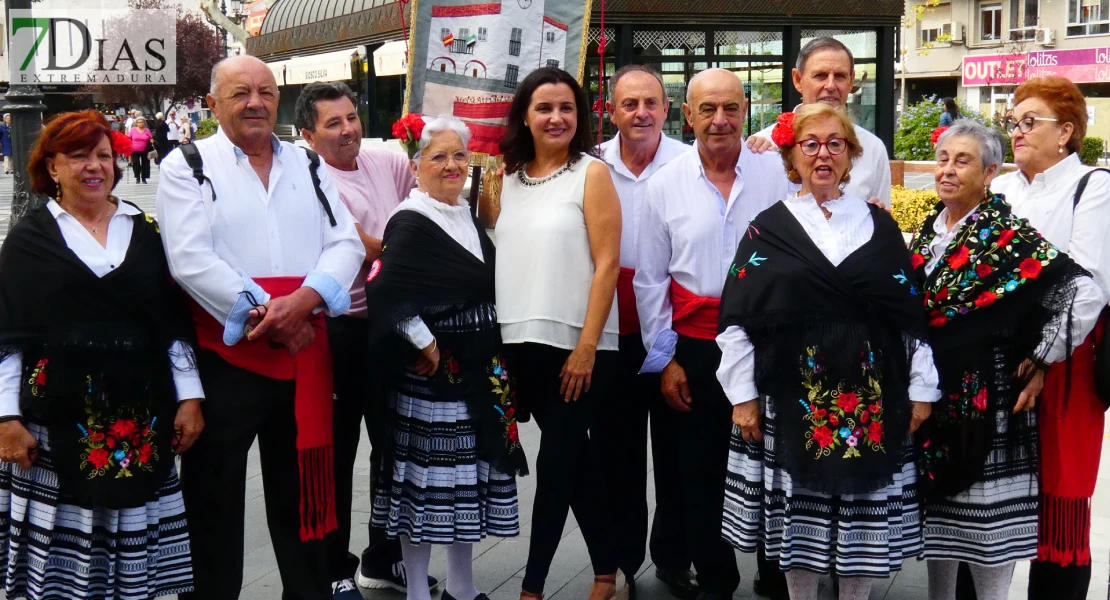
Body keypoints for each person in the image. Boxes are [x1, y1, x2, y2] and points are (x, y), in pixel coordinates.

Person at [156, 55, 364, 600]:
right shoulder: (189, 164)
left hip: (304, 356)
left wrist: (306, 299)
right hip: (228, 360)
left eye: (266, 93)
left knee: (304, 502)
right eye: (241, 93)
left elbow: (345, 242)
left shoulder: (307, 164)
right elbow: (190, 260)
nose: (255, 102)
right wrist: (274, 315)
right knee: (214, 504)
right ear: (214, 105)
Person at [717, 102, 939, 600]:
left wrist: (922, 389)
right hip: (791, 396)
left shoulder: (880, 227)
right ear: (791, 157)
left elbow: (908, 315)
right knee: (802, 522)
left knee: (860, 521)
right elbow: (735, 320)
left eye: (835, 144)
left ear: (851, 155)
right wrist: (742, 396)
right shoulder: (766, 229)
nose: (823, 154)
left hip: (871, 397)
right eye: (810, 144)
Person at [0, 109, 204, 599]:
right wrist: (6, 417)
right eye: (78, 156)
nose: (95, 166)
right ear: (51, 168)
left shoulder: (145, 230)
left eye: (104, 155)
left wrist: (190, 399)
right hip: (54, 426)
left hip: (141, 422)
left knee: (133, 562)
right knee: (64, 571)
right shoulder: (29, 240)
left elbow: (172, 325)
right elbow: (9, 337)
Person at [908, 120, 1101, 600]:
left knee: (987, 535)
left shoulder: (1007, 235)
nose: (947, 170)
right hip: (934, 396)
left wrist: (1040, 358)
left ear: (991, 171)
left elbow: (1081, 292)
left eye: (963, 161)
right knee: (940, 527)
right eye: (944, 159)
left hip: (988, 399)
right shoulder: (929, 231)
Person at [634, 68, 792, 600]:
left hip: (771, 340)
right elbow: (652, 281)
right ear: (689, 115)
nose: (720, 120)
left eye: (730, 108)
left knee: (778, 462)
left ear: (746, 111)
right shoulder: (664, 185)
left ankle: (778, 573)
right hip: (696, 346)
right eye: (708, 110)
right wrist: (665, 361)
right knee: (697, 470)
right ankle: (716, 579)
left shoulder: (777, 173)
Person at [365, 115, 526, 600]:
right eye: (439, 156)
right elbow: (388, 290)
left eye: (459, 155)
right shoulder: (410, 220)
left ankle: (461, 587)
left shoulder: (467, 215)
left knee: (463, 490)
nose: (452, 165)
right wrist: (426, 343)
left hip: (476, 373)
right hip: (433, 379)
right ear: (416, 167)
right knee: (425, 492)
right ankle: (416, 589)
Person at [479, 66, 623, 600]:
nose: (556, 117)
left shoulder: (593, 174)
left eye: (567, 107)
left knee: (556, 462)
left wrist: (587, 346)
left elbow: (607, 265)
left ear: (580, 116)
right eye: (544, 107)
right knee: (576, 460)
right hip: (518, 345)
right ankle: (608, 571)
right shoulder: (503, 183)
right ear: (525, 115)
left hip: (577, 348)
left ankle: (533, 587)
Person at [294, 81, 436, 599]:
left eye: (351, 117)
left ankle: (384, 556)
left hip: (390, 323)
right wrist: (414, 246)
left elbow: (423, 204)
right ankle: (331, 566)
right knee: (334, 451)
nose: (348, 130)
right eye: (333, 124)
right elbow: (368, 244)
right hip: (339, 326)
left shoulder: (386, 161)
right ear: (309, 134)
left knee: (392, 449)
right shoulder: (310, 177)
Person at [991, 75, 1110, 600]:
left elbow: (1089, 285)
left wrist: (1042, 357)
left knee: (1059, 502)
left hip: (1067, 363)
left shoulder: (1093, 185)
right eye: (1012, 121)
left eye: (1028, 122)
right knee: (986, 489)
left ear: (1065, 133)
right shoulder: (1000, 188)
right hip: (995, 357)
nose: (1016, 131)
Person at [597, 64, 695, 600]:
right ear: (612, 111)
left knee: (679, 450)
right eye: (629, 104)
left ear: (667, 109)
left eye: (650, 103)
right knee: (619, 451)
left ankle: (675, 555)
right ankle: (623, 559)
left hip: (671, 330)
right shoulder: (590, 165)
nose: (640, 113)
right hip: (612, 331)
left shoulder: (688, 162)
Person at [747, 37, 892, 208]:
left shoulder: (872, 148)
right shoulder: (762, 149)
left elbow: (881, 217)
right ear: (797, 80)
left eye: (839, 76)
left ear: (851, 81)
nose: (830, 85)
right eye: (820, 75)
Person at [128, 116, 153, 183]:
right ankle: (137, 177)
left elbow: (151, 137)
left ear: (144, 123)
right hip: (134, 149)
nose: (141, 123)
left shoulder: (147, 130)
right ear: (137, 123)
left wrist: (152, 140)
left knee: (145, 164)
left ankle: (144, 178)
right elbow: (129, 137)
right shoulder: (133, 129)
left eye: (142, 122)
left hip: (145, 149)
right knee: (136, 163)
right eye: (139, 122)